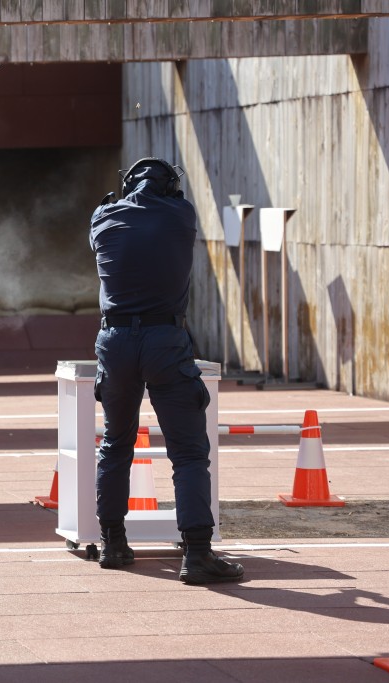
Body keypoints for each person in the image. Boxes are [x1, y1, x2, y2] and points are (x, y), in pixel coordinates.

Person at [88, 157, 244, 585]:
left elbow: (111, 223)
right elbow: (166, 209)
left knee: (116, 445)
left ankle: (113, 543)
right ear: (171, 188)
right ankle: (197, 554)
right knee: (189, 453)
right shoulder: (181, 216)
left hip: (115, 342)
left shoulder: (103, 216)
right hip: (164, 340)